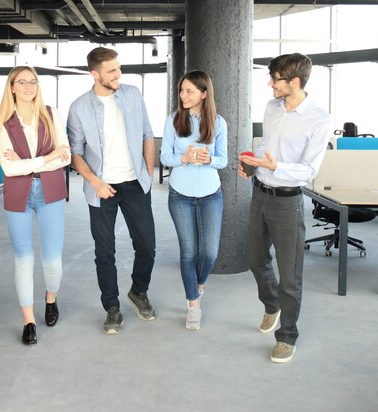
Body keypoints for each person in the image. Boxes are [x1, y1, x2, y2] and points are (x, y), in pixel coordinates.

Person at [238, 53, 331, 363]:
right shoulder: (271, 107)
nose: (270, 84)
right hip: (259, 193)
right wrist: (253, 164)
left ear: (294, 82)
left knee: (290, 275)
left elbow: (309, 170)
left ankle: (287, 335)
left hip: (288, 201)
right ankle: (271, 303)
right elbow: (267, 145)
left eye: (275, 79)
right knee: (254, 257)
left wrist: (275, 166)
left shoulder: (319, 118)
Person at [67, 46, 156, 335]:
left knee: (146, 245)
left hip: (135, 184)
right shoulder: (79, 107)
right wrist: (95, 182)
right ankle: (112, 307)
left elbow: (146, 133)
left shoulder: (132, 94)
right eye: (112, 71)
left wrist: (148, 173)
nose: (119, 74)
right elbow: (75, 153)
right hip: (101, 188)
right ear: (95, 75)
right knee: (104, 252)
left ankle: (138, 291)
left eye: (118, 68)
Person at [0, 66, 70, 345]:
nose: (28, 86)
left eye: (32, 81)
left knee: (53, 260)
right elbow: (9, 170)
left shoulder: (51, 114)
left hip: (51, 191)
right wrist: (46, 159)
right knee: (23, 260)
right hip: (18, 193)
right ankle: (29, 321)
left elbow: (66, 157)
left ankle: (50, 298)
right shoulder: (3, 122)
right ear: (11, 87)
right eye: (21, 82)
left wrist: (29, 163)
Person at [160, 70, 227, 330]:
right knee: (189, 251)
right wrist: (184, 158)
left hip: (211, 193)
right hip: (180, 194)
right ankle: (193, 304)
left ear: (204, 93)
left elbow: (224, 160)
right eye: (181, 90)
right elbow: (165, 157)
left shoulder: (218, 122)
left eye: (189, 91)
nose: (183, 95)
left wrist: (208, 159)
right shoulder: (173, 120)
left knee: (209, 253)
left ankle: (198, 284)